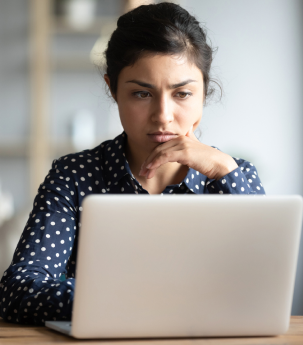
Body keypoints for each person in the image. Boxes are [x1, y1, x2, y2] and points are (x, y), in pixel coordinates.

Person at [0, 2, 265, 325]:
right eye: (142, 94)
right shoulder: (73, 177)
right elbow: (19, 291)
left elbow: (263, 290)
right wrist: (154, 299)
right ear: (112, 89)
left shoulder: (233, 175)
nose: (163, 116)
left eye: (182, 94)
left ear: (204, 93)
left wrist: (223, 171)